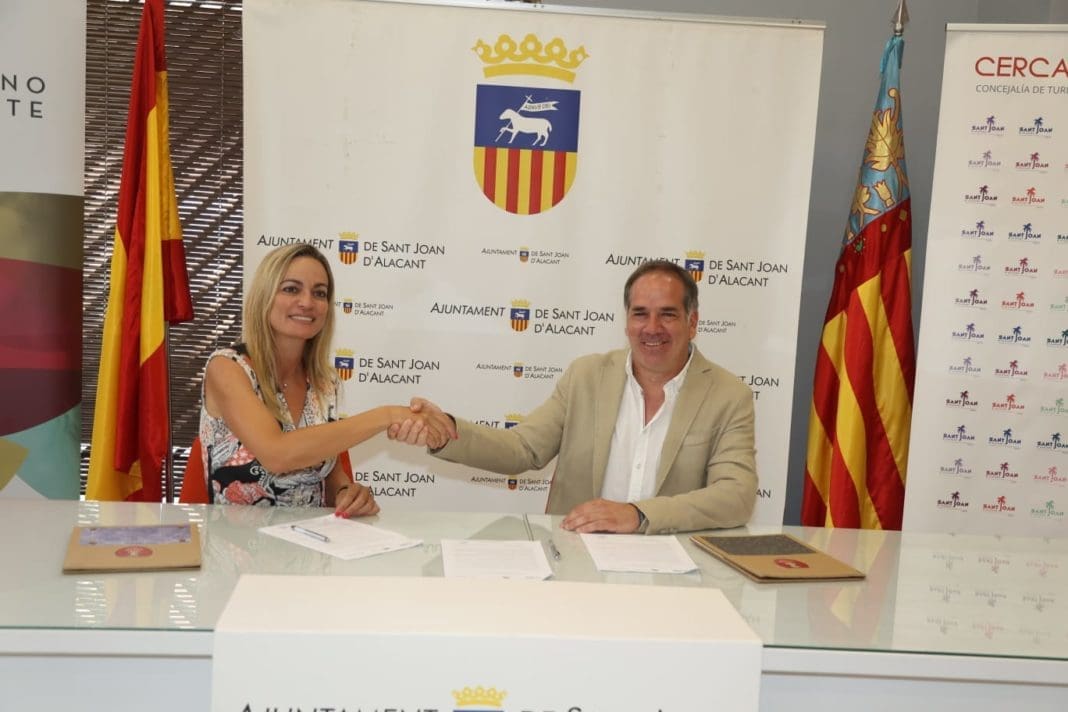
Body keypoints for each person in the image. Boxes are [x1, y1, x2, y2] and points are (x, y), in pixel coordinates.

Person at [390, 260, 757, 535]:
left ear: (692, 323)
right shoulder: (586, 376)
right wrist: (447, 430)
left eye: (668, 315)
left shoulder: (729, 395)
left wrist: (638, 515)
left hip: (676, 570)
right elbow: (522, 449)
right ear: (626, 321)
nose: (652, 328)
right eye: (640, 314)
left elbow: (736, 495)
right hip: (578, 558)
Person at [199, 243, 456, 515]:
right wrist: (388, 415)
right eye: (291, 289)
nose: (307, 302)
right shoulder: (227, 367)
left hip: (311, 538)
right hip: (236, 539)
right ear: (264, 295)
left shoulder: (325, 381)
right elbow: (277, 454)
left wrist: (345, 492)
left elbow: (327, 469)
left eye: (319, 293)